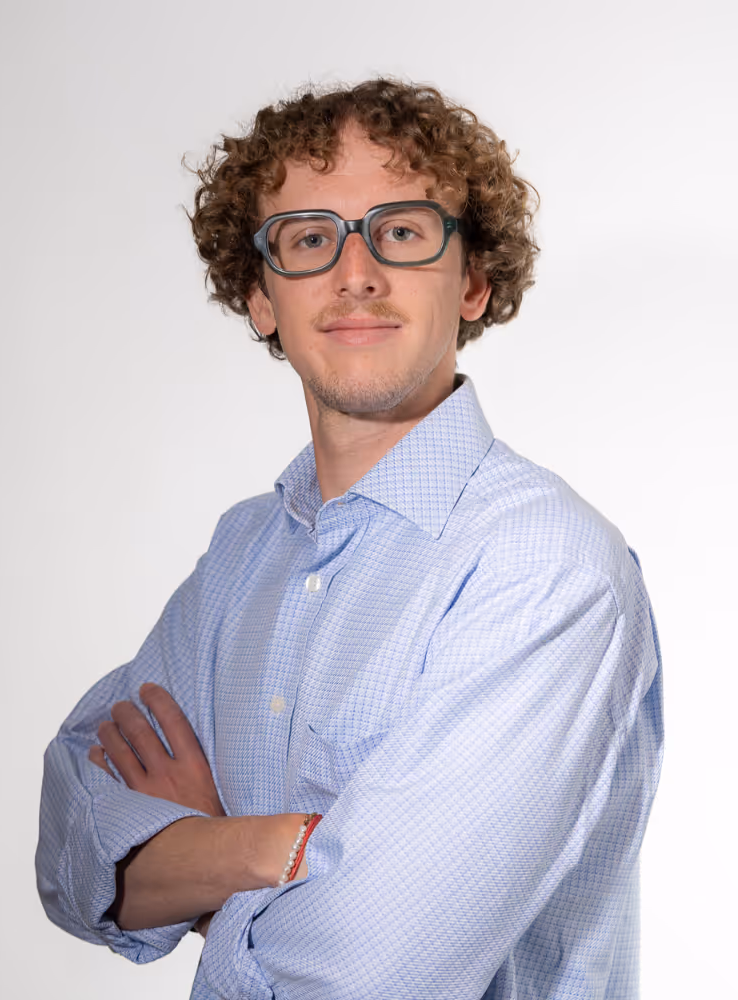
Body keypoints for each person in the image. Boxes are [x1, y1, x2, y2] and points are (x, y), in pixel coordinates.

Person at [36, 78, 664, 999]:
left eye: (402, 231)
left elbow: (366, 975)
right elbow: (70, 851)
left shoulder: (545, 570)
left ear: (475, 282)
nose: (355, 273)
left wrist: (195, 866)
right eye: (310, 239)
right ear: (261, 297)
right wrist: (278, 847)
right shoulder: (242, 556)